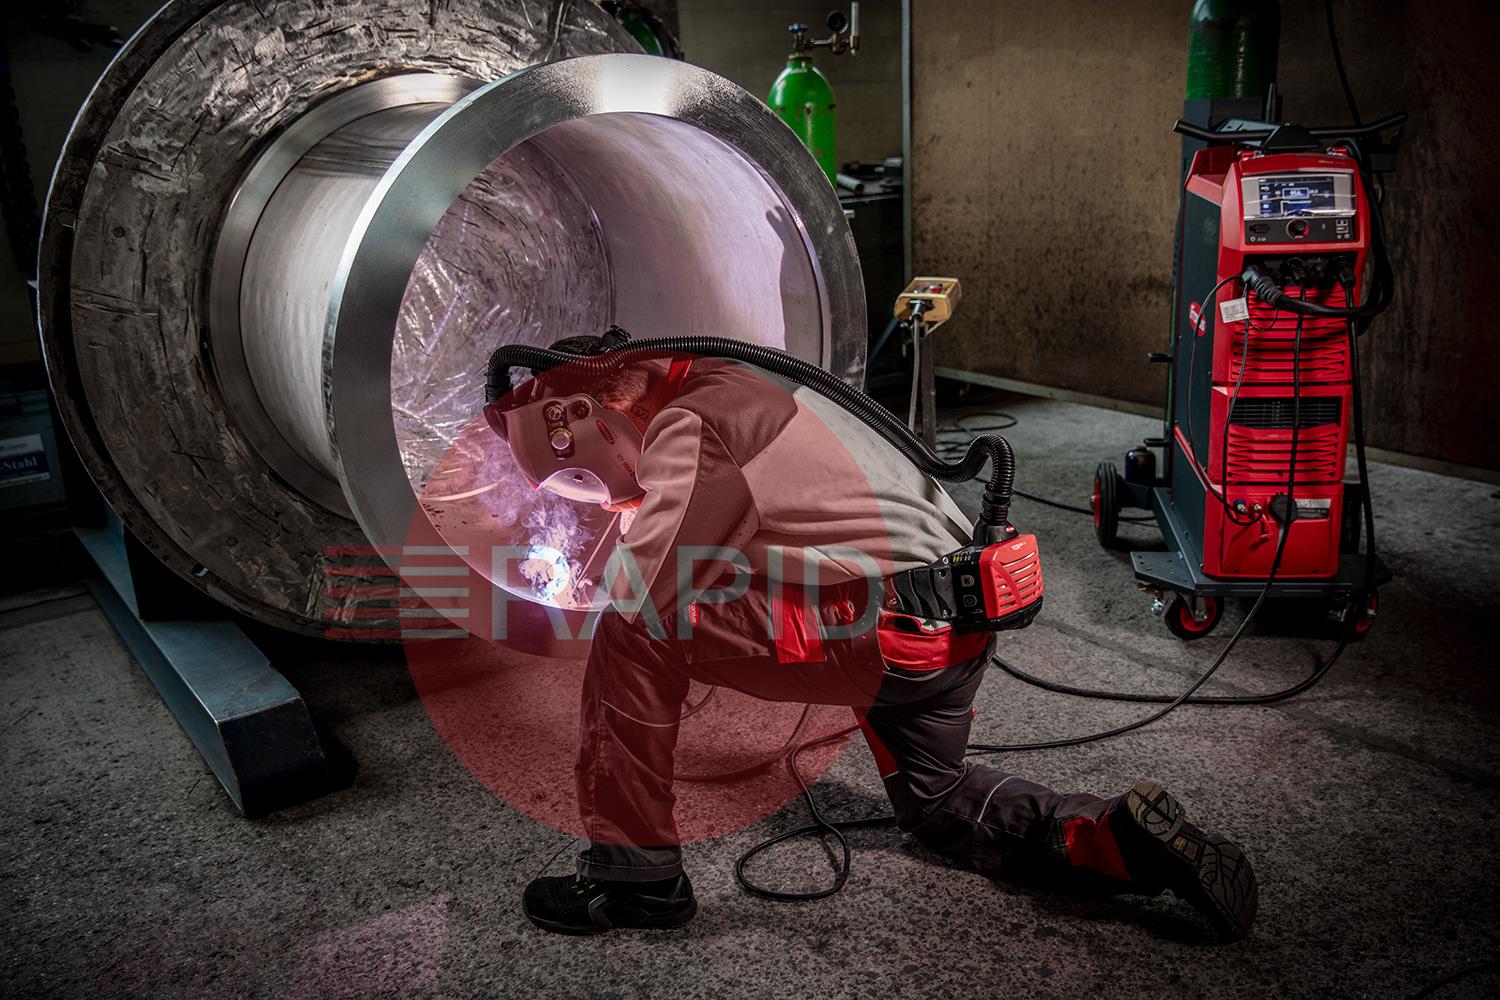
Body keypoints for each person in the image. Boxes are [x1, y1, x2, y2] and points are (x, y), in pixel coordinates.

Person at [489, 335, 1258, 941]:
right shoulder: (748, 381)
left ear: (596, 418)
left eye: (584, 478)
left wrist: (586, 591)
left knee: (634, 633)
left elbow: (645, 592)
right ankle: (1121, 840)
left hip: (877, 631)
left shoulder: (696, 424)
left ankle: (633, 880)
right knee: (939, 806)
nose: (597, 495)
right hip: (950, 631)